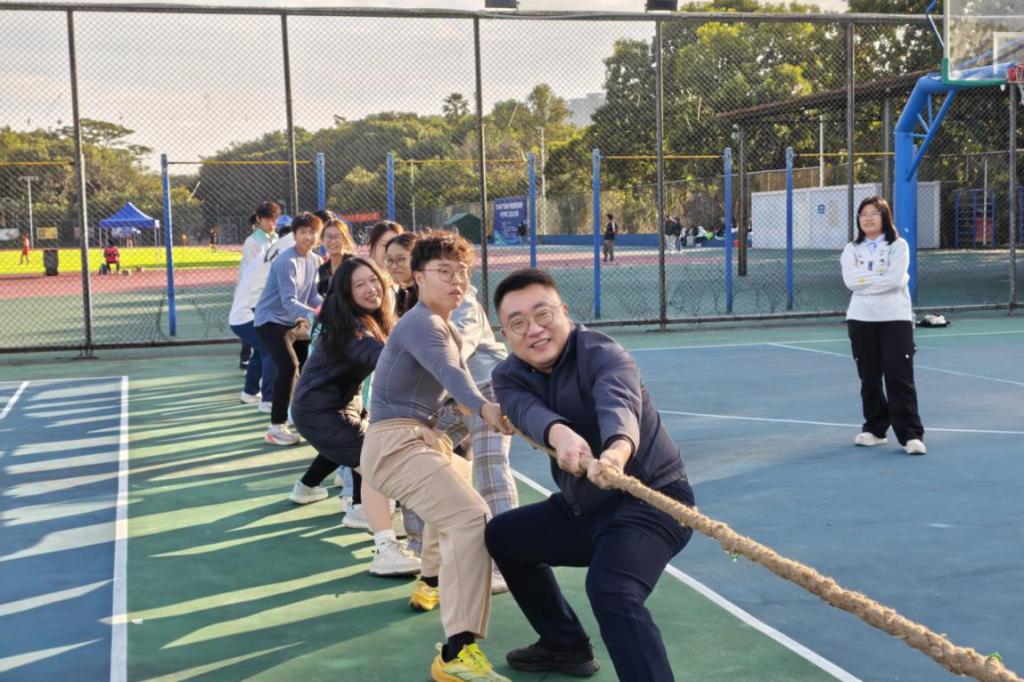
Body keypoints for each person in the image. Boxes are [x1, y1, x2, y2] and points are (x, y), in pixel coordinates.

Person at [486, 268, 695, 681]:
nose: (534, 330)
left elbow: (619, 404)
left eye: (543, 314)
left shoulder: (602, 353)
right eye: (518, 323)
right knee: (504, 536)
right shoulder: (507, 376)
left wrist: (616, 453)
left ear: (564, 311)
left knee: (612, 590)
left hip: (652, 503)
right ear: (505, 334)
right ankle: (564, 646)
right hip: (586, 507)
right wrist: (559, 432)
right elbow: (526, 411)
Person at [359, 232, 513, 682]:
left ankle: (429, 582)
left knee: (457, 485)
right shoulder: (423, 323)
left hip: (417, 441)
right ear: (419, 277)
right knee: (470, 518)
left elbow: (455, 385)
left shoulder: (440, 324)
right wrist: (484, 407)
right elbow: (452, 374)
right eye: (444, 271)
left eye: (462, 272)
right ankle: (456, 654)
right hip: (397, 443)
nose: (456, 281)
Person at [287, 255, 421, 577]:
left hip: (342, 407)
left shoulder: (369, 319)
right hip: (319, 412)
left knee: (367, 456)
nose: (370, 288)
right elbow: (384, 360)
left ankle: (338, 501)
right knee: (375, 465)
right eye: (359, 284)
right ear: (346, 293)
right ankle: (385, 549)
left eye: (373, 280)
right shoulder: (352, 329)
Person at [841, 195, 926, 455]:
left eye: (874, 213)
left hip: (895, 318)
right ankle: (875, 430)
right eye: (863, 214)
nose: (868, 218)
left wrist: (866, 282)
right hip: (861, 319)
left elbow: (895, 281)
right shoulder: (851, 249)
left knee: (899, 377)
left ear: (885, 217)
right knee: (869, 378)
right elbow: (850, 282)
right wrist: (878, 278)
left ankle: (910, 435)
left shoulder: (898, 246)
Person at [254, 212, 324, 446]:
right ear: (294, 235)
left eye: (312, 232)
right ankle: (276, 428)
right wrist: (318, 314)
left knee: (307, 365)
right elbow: (288, 301)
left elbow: (312, 295)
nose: (308, 236)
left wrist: (330, 306)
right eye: (303, 232)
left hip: (292, 321)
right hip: (270, 321)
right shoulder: (287, 262)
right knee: (288, 366)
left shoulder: (314, 260)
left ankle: (300, 414)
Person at [238, 202, 282, 370]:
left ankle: (259, 363)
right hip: (253, 292)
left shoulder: (276, 238)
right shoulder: (252, 241)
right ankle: (246, 358)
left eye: (274, 219)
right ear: (259, 219)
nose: (272, 223)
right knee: (254, 326)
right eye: (268, 219)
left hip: (269, 291)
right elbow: (254, 269)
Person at [317, 218, 356, 297]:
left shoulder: (354, 265)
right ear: (322, 240)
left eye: (337, 236)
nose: (333, 241)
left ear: (345, 240)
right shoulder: (323, 269)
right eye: (329, 237)